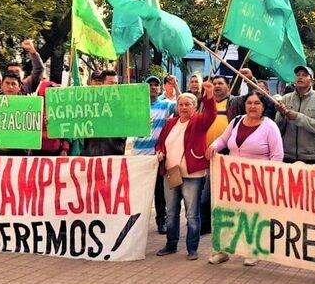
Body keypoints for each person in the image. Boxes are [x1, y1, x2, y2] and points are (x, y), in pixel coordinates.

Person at [206, 91, 284, 266]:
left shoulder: (270, 126)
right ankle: (222, 250)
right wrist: (213, 146)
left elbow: (277, 156)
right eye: (249, 103)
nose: (252, 106)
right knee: (226, 214)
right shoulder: (236, 121)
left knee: (253, 216)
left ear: (263, 106)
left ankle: (253, 250)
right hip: (232, 180)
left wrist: (267, 178)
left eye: (257, 103)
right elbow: (223, 140)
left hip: (258, 182)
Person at [155, 80, 216, 260]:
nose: (183, 107)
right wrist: (159, 152)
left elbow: (211, 113)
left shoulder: (199, 121)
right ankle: (171, 244)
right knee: (172, 212)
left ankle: (192, 249)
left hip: (192, 176)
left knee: (191, 214)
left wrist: (210, 94)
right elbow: (161, 143)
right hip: (170, 174)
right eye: (180, 104)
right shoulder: (170, 123)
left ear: (195, 107)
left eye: (187, 104)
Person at [132, 75, 176, 234]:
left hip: (157, 156)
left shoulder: (166, 105)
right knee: (139, 192)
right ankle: (138, 222)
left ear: (160, 88)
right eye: (150, 85)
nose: (153, 87)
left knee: (160, 192)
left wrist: (175, 85)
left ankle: (161, 221)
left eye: (156, 85)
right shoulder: (135, 106)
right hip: (139, 156)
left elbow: (184, 105)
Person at [275, 66, 315, 164]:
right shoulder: (285, 99)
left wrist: (298, 117)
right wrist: (282, 115)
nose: (300, 77)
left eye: (304, 75)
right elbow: (277, 129)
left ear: (312, 80)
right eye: (298, 75)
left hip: (312, 157)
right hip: (287, 156)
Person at [201, 75, 233, 235]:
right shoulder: (205, 104)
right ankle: (205, 225)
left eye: (221, 83)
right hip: (207, 155)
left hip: (228, 156)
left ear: (229, 86)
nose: (217, 86)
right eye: (214, 84)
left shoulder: (235, 102)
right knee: (205, 195)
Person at [83, 70, 127, 156]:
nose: (114, 87)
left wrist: (144, 123)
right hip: (93, 158)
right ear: (101, 84)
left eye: (116, 83)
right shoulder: (89, 104)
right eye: (111, 83)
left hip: (115, 157)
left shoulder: (123, 106)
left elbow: (138, 132)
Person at [29, 80, 69, 156]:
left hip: (56, 150)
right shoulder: (34, 109)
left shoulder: (60, 109)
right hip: (37, 150)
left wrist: (64, 149)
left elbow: (66, 132)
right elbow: (30, 131)